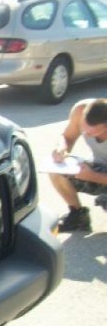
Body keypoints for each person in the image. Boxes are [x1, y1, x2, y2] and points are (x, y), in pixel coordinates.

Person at [49, 98, 107, 232]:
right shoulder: (80, 110)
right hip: (99, 166)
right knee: (57, 171)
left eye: (92, 133)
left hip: (98, 174)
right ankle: (77, 215)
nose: (87, 135)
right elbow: (67, 137)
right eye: (85, 131)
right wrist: (61, 148)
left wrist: (92, 176)